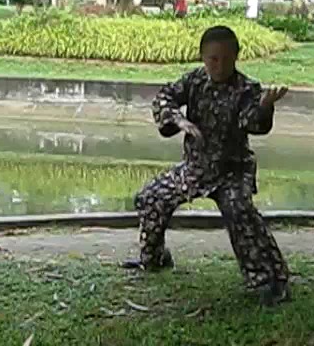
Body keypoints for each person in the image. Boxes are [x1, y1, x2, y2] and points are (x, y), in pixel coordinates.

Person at [122, 25, 291, 307]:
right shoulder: (195, 81)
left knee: (241, 213)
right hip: (195, 168)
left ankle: (269, 280)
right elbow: (164, 97)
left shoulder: (247, 89)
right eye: (213, 59)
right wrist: (179, 120)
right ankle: (154, 259)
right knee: (151, 197)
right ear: (203, 57)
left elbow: (253, 123)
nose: (219, 66)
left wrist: (264, 106)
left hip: (231, 170)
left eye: (226, 59)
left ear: (237, 57)